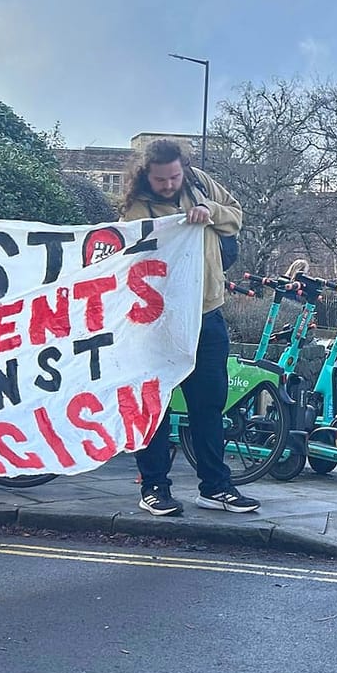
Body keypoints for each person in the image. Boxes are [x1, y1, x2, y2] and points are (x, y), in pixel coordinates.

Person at [119, 139, 261, 515]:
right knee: (156, 406)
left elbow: (236, 215)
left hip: (207, 314)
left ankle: (215, 486)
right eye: (161, 179)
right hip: (158, 322)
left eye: (174, 176)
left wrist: (207, 209)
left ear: (184, 168)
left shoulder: (200, 183)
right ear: (146, 175)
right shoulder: (135, 210)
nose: (169, 185)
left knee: (209, 405)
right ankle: (154, 487)